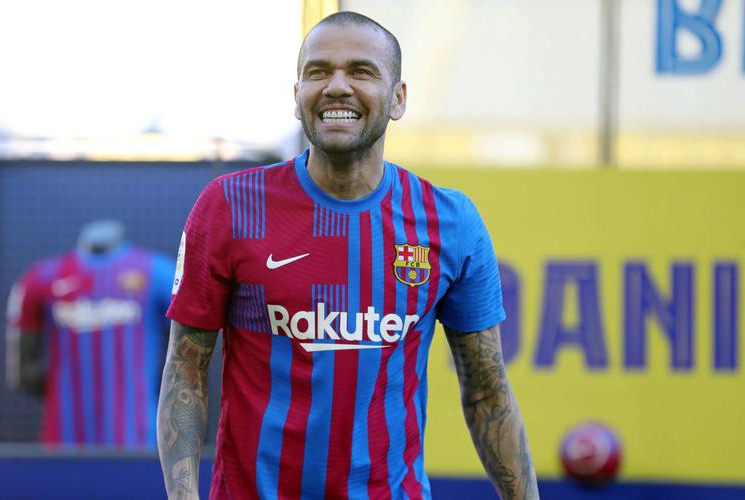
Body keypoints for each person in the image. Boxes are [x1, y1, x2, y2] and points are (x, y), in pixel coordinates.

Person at [158, 11, 539, 500]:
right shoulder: (229, 206)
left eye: (361, 71)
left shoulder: (451, 222)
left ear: (398, 98)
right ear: (297, 97)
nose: (337, 86)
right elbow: (185, 371)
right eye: (318, 71)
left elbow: (488, 392)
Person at [7, 220, 174, 448]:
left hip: (138, 448)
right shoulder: (40, 280)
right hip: (65, 446)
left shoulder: (158, 274)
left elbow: (192, 357)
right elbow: (23, 374)